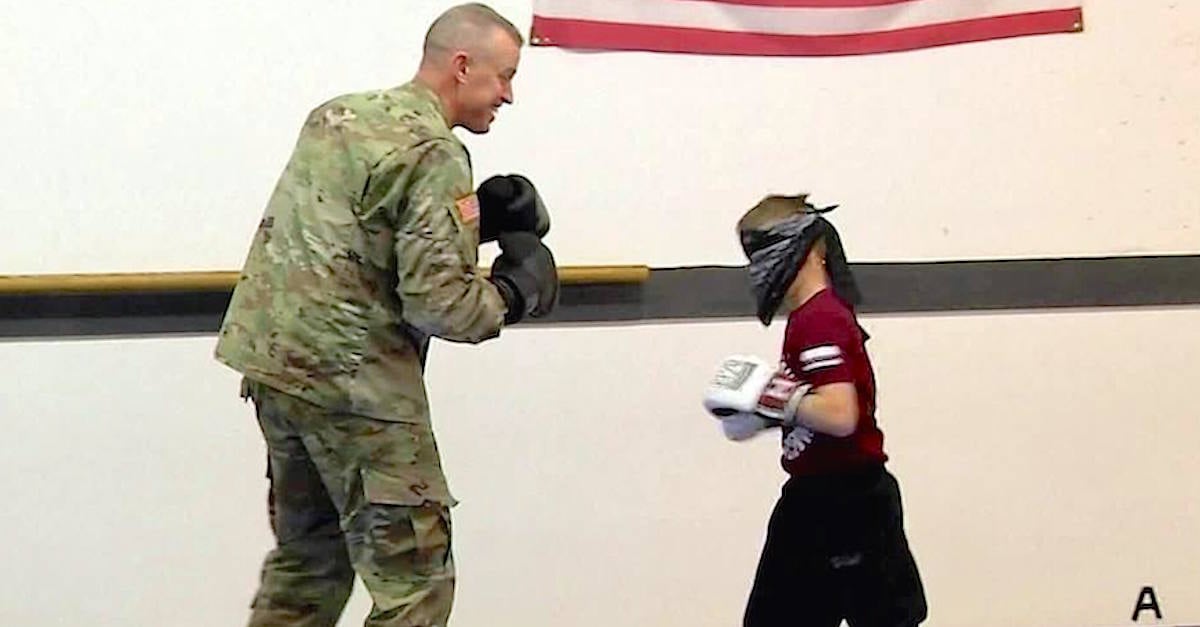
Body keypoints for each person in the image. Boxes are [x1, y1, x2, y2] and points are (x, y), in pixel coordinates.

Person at [213, 4, 559, 626]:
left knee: (308, 566)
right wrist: (513, 293)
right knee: (415, 586)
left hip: (277, 372)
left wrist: (473, 219)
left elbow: (354, 239)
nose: (508, 95)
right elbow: (440, 303)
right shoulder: (434, 152)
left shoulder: (339, 115)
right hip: (357, 388)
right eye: (503, 76)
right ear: (462, 66)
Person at [702, 194, 928, 626]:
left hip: (849, 499)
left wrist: (772, 398)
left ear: (806, 249)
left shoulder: (820, 319)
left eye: (763, 251)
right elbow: (821, 409)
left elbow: (841, 415)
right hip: (816, 496)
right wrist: (768, 414)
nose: (757, 267)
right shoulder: (811, 318)